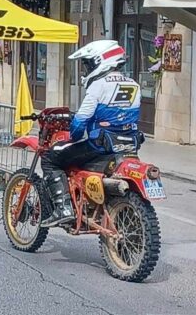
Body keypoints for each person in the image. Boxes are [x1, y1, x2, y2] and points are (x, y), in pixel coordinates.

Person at [40, 40, 142, 227]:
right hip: (129, 143)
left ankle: (63, 209)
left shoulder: (99, 85)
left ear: (100, 61)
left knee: (50, 158)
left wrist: (74, 136)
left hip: (100, 145)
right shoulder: (134, 84)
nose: (86, 69)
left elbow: (81, 120)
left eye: (88, 64)